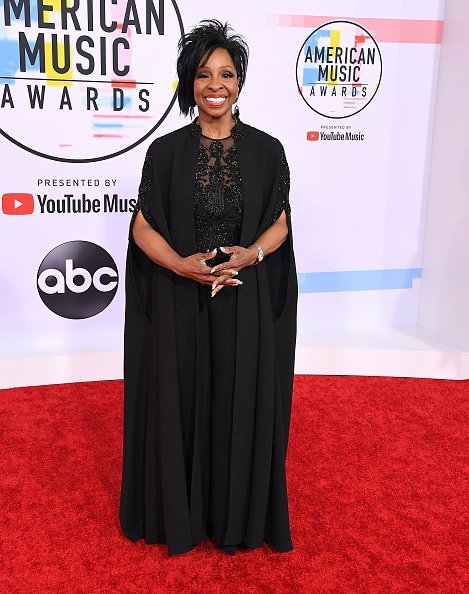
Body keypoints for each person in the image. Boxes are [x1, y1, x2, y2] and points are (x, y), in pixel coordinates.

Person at [119, 19, 298, 556]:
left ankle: (236, 517)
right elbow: (143, 226)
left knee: (239, 403)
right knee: (183, 403)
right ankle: (182, 513)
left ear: (239, 82)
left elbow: (281, 222)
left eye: (225, 73)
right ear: (189, 84)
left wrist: (252, 253)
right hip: (181, 300)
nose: (214, 85)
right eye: (202, 74)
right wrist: (180, 266)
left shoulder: (269, 151)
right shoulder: (166, 153)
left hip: (245, 299)